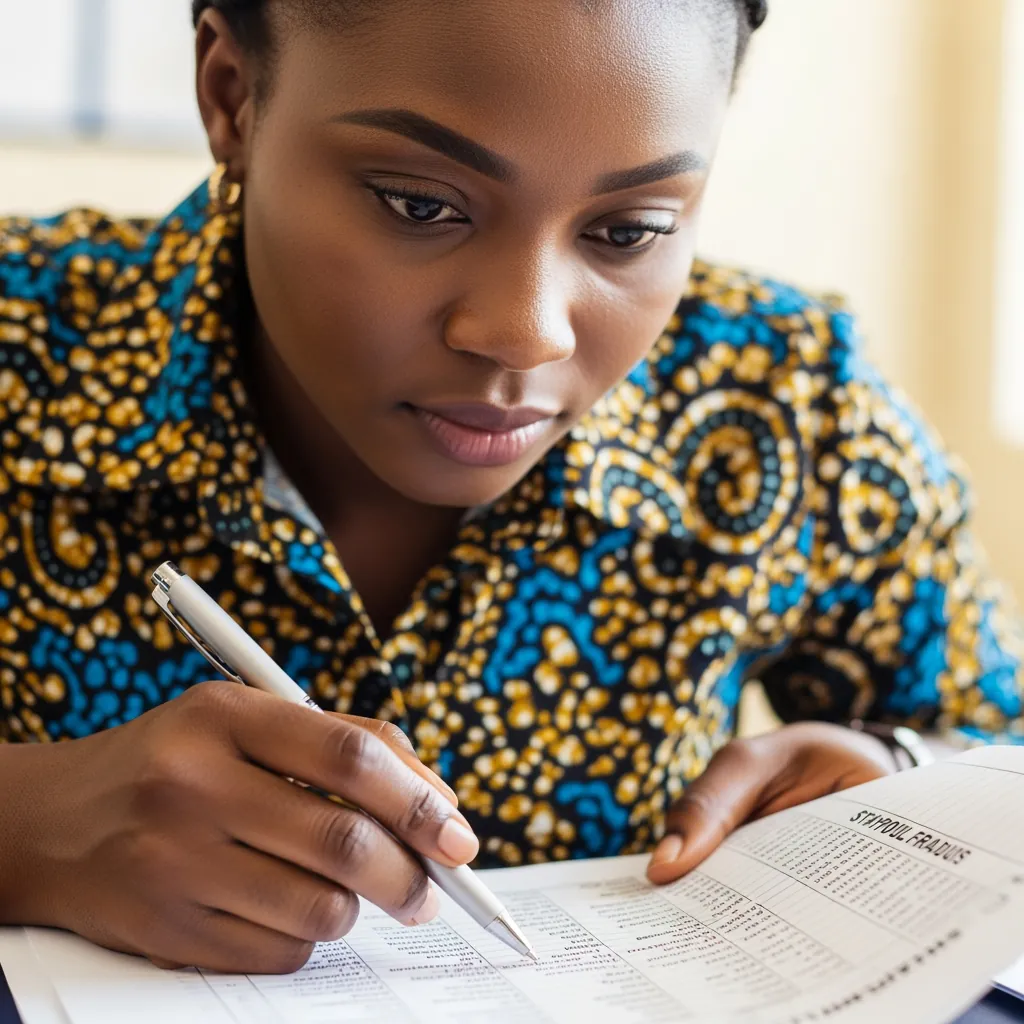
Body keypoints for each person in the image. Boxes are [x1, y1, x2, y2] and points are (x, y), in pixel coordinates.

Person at [0, 0, 1020, 976]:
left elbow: (997, 750)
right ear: (231, 94)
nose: (527, 331)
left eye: (628, 230)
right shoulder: (19, 344)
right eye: (421, 205)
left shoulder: (788, 400)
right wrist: (28, 825)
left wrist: (891, 777)